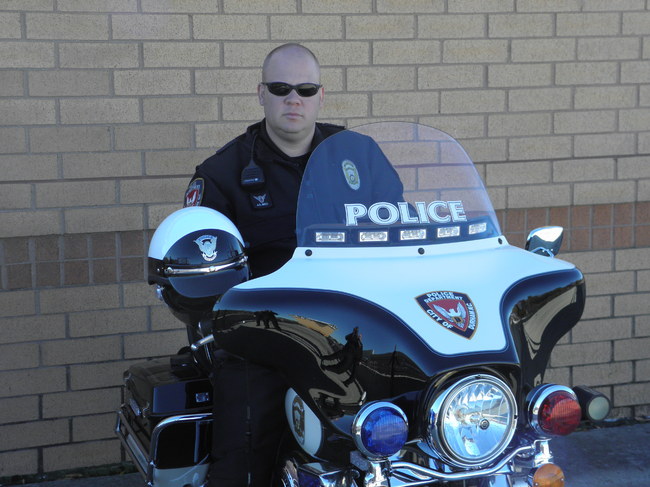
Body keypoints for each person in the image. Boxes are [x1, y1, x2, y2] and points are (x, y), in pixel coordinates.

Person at [182, 43, 344, 487]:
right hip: (262, 334)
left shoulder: (357, 158)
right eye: (280, 88)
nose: (294, 99)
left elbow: (402, 230)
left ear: (321, 96)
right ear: (261, 94)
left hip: (355, 323)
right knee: (244, 458)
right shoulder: (221, 174)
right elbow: (202, 277)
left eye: (305, 89)